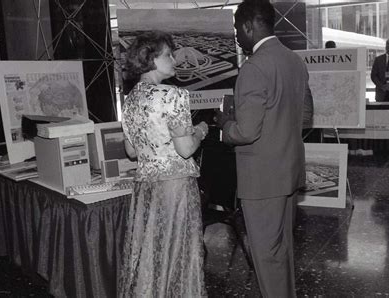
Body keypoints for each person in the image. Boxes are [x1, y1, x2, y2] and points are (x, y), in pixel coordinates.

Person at [214, 0, 309, 296]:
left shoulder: (254, 68)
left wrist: (224, 123)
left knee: (266, 256)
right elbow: (306, 117)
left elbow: (245, 131)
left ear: (248, 26)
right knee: (281, 252)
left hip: (262, 179)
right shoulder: (294, 60)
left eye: (236, 31)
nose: (236, 38)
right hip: (289, 171)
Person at [118, 31, 208, 297]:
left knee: (150, 252)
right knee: (180, 251)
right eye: (168, 55)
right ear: (151, 59)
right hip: (175, 187)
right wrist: (200, 131)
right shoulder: (174, 96)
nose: (175, 60)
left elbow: (131, 152)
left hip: (146, 187)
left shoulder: (130, 100)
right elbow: (186, 149)